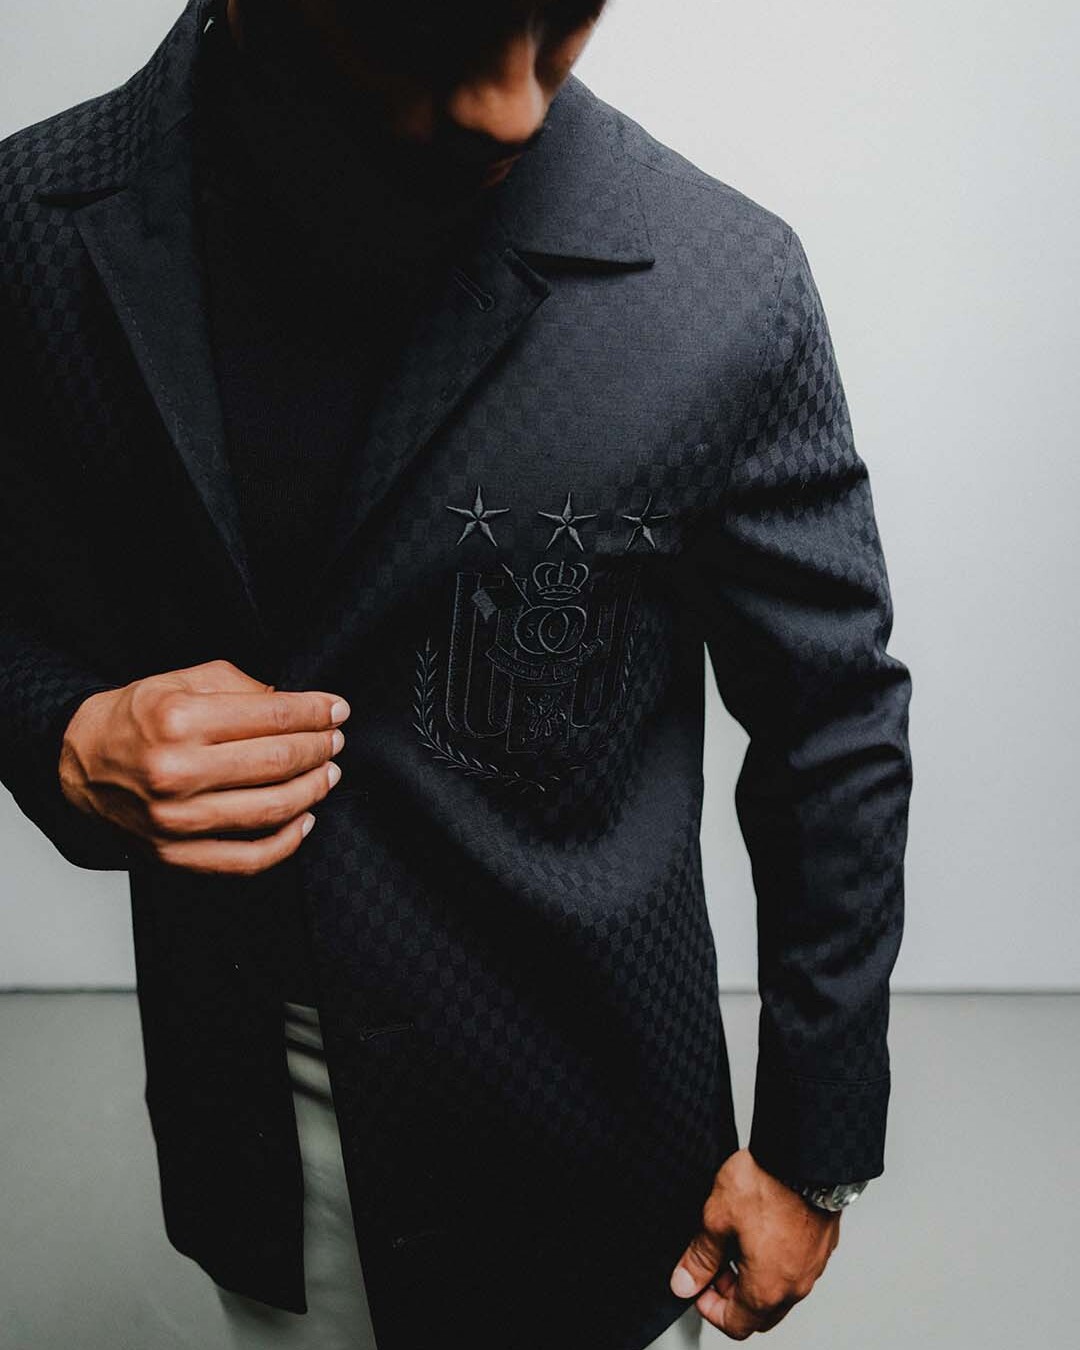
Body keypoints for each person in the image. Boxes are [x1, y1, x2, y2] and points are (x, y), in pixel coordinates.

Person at [0, 1, 914, 1347]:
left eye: (567, 10)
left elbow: (831, 726)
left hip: (605, 1168)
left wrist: (811, 1148)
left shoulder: (722, 278)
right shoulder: (32, 223)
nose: (514, 103)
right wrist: (59, 732)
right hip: (250, 1141)